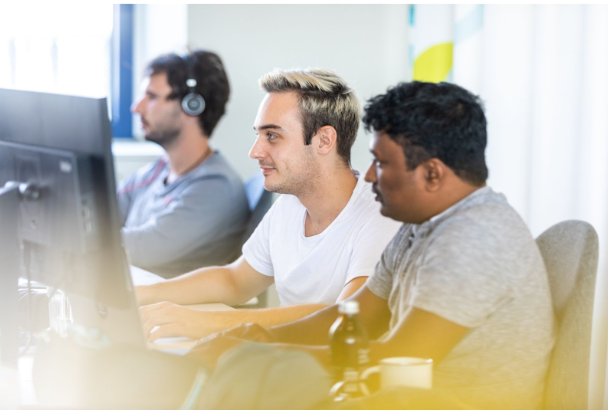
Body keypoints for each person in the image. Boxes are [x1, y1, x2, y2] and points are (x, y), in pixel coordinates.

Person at [189, 81, 556, 410]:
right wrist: (258, 338)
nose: (368, 175)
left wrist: (259, 354)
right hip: (406, 394)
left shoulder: (474, 236)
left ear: (432, 173)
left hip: (445, 401)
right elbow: (353, 317)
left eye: (381, 163)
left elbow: (399, 355)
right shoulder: (422, 225)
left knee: (259, 382)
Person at [137, 68, 402, 341]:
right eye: (258, 135)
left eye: (272, 136)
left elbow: (347, 316)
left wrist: (207, 322)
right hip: (293, 361)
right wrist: (145, 293)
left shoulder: (380, 214)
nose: (255, 152)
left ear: (324, 140)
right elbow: (235, 281)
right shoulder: (291, 204)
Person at [118, 50, 249, 278]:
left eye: (151, 96)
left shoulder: (216, 187)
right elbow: (102, 211)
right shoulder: (155, 172)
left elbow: (141, 249)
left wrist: (71, 233)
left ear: (192, 105)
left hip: (166, 309)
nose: (136, 107)